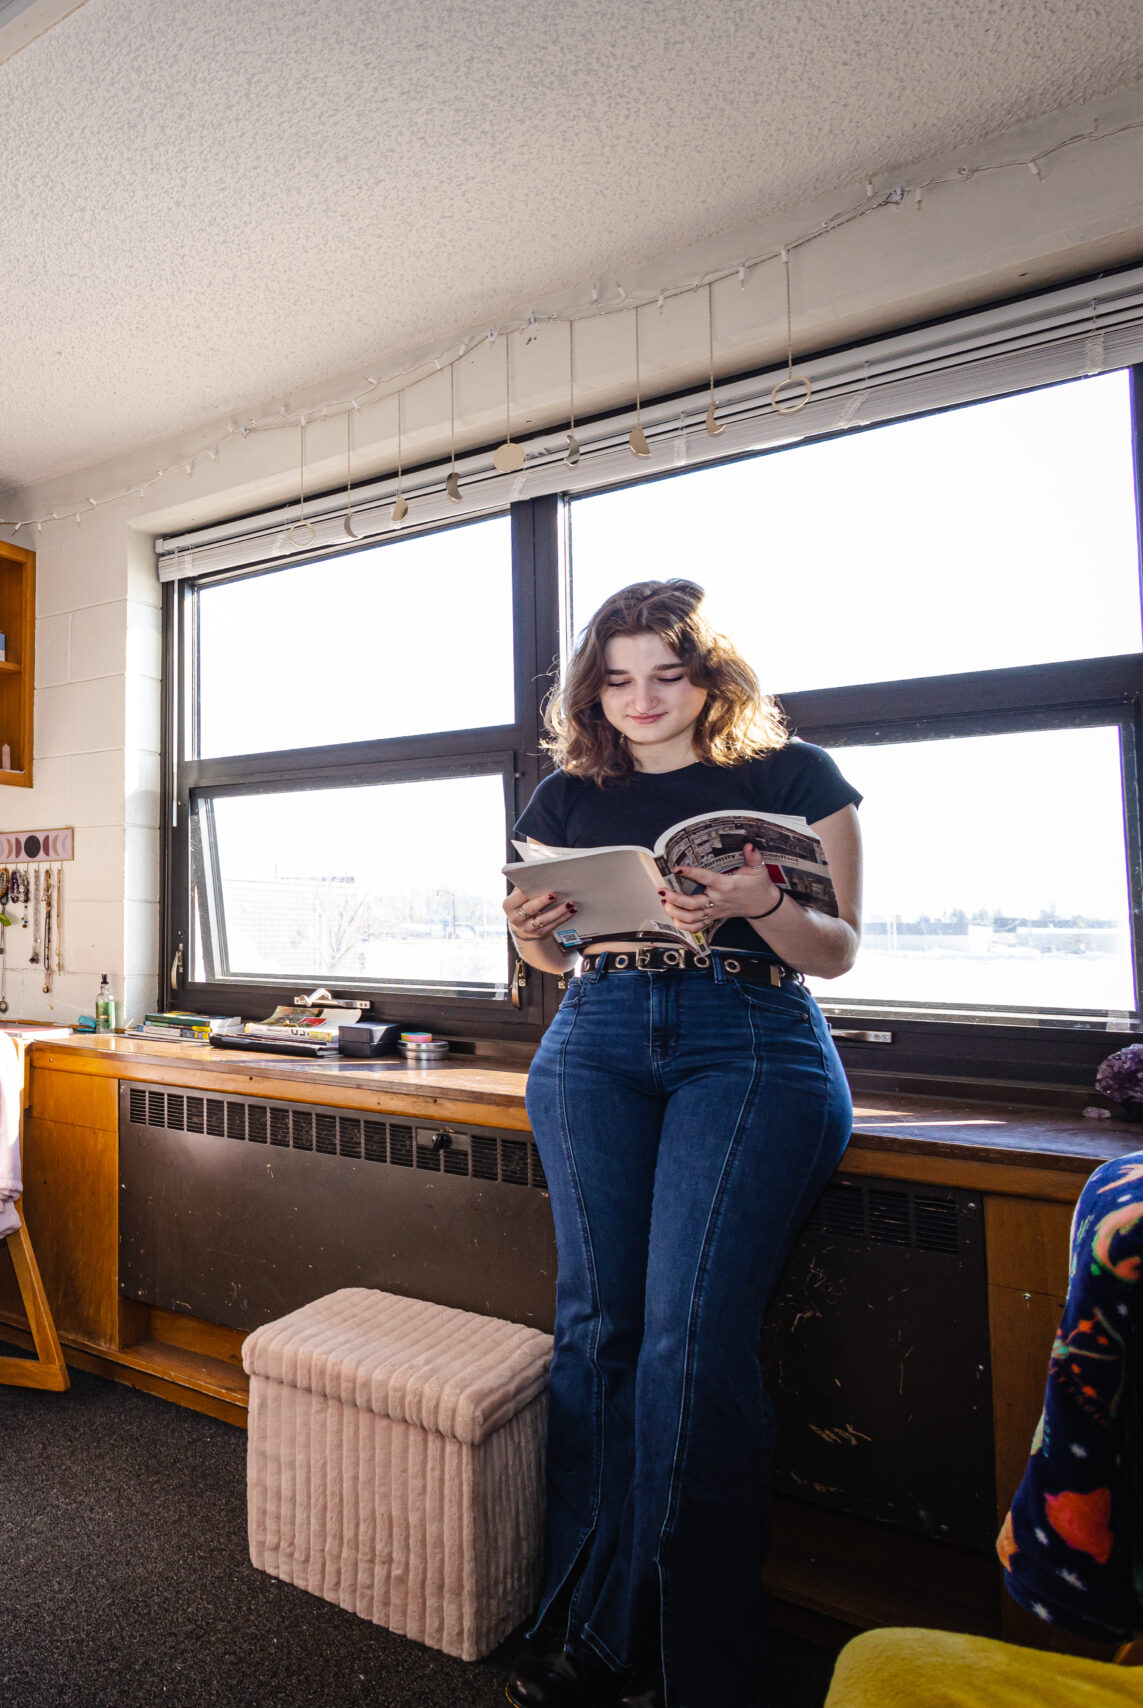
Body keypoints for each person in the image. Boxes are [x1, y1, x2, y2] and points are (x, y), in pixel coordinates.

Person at [500, 580, 863, 1708]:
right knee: (594, 1332)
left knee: (688, 1346)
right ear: (590, 687)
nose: (642, 697)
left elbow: (837, 949)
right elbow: (556, 960)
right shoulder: (566, 792)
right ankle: (586, 1612)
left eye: (668, 672)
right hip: (597, 1031)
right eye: (617, 676)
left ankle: (683, 1654)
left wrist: (758, 899)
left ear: (712, 678)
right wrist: (533, 937)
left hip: (747, 1035)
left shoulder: (795, 779)